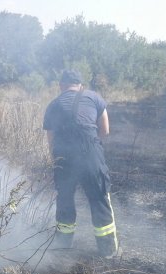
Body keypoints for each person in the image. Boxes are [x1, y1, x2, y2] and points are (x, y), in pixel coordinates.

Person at [43, 69, 121, 258]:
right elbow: (105, 130)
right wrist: (92, 148)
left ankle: (62, 245)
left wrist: (58, 161)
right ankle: (108, 250)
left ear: (61, 86)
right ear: (80, 86)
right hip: (90, 155)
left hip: (64, 157)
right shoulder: (94, 98)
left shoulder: (53, 105)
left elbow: (51, 140)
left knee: (65, 200)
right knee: (99, 198)